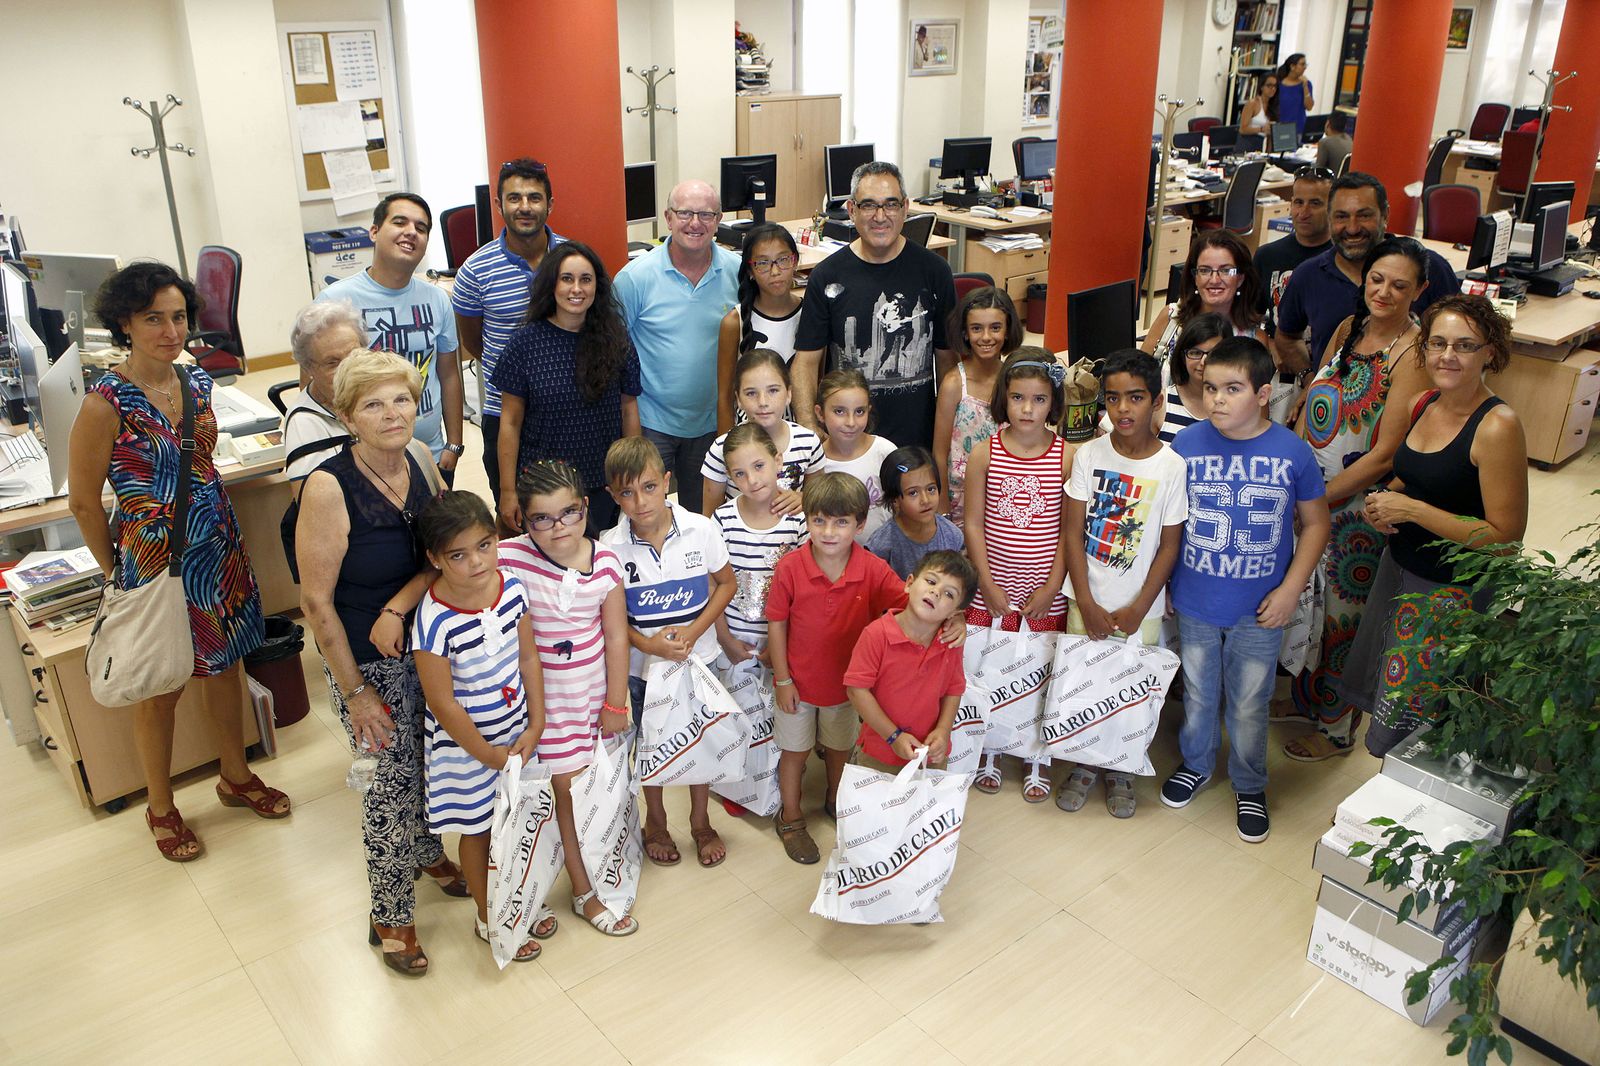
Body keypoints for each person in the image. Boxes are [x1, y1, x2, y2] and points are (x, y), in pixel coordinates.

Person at [68, 261, 291, 864]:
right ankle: (161, 805)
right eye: (153, 319)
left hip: (215, 545)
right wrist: (116, 567)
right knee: (159, 683)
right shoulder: (104, 403)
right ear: (126, 323)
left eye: (178, 317)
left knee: (224, 668)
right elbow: (84, 501)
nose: (170, 331)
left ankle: (235, 775)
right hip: (152, 557)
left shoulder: (196, 383)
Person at [296, 350, 464, 976]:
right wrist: (356, 692)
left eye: (401, 398)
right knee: (385, 788)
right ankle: (390, 913)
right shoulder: (327, 486)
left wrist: (399, 604)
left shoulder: (421, 459)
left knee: (429, 761)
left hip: (426, 645)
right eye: (373, 404)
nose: (392, 414)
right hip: (363, 661)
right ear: (347, 415)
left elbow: (443, 547)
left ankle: (424, 851)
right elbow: (315, 602)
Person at [1341, 295, 1528, 758]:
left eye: (1464, 346)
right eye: (1438, 343)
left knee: (1417, 711)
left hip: (1450, 590)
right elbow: (1420, 472)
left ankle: (1401, 818)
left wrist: (1414, 511)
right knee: (1389, 693)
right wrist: (1383, 499)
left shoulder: (1498, 426)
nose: (1448, 356)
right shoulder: (1425, 401)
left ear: (1490, 353)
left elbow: (1504, 539)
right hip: (1401, 568)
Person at [1160, 338, 1329, 844]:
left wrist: (1290, 591)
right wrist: (1166, 583)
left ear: (1263, 393)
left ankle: (1250, 783)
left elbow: (1316, 525)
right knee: (1198, 691)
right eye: (1210, 388)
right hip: (1195, 600)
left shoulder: (1292, 452)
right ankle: (1196, 762)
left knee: (1251, 701)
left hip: (1261, 609)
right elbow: (1168, 524)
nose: (1217, 400)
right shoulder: (1186, 447)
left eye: (1232, 389)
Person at [1282, 237, 1430, 761]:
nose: (1383, 292)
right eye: (1376, 279)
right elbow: (1307, 406)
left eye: (1399, 285)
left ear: (1419, 291)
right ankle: (1305, 699)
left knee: (1345, 616)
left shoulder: (1413, 352)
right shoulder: (1350, 329)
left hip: (1356, 509)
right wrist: (1293, 473)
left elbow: (1386, 453)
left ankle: (1336, 728)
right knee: (1310, 604)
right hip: (1309, 492)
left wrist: (1317, 498)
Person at [497, 460, 638, 936]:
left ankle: (597, 866)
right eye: (542, 518)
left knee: (596, 791)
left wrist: (616, 703)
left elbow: (617, 636)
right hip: (543, 706)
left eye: (569, 513)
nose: (558, 527)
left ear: (586, 507)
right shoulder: (509, 557)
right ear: (523, 520)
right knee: (564, 793)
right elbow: (455, 570)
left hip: (595, 699)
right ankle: (583, 890)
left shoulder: (606, 563)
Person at [410, 491, 549, 963]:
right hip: (467, 751)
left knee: (523, 820)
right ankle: (488, 915)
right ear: (434, 558)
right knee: (480, 832)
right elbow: (442, 702)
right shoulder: (433, 621)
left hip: (518, 734)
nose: (476, 562)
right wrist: (488, 754)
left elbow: (528, 657)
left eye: (485, 545)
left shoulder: (511, 588)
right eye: (458, 555)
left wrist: (537, 721)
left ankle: (522, 898)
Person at [1058, 350, 1187, 819]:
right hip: (1086, 600)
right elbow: (1071, 532)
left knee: (1130, 690)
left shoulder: (1171, 466)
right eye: (1112, 399)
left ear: (1157, 403)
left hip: (1141, 610)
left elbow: (1169, 547)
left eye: (1135, 398)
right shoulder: (1090, 455)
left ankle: (1121, 769)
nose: (1123, 410)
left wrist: (1139, 607)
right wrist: (1086, 600)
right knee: (1084, 685)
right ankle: (1082, 765)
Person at [766, 473, 917, 863]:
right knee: (794, 753)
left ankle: (836, 801)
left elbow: (910, 603)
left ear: (860, 524)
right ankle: (792, 817)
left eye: (841, 522)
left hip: (848, 689)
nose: (829, 532)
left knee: (838, 750)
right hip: (796, 685)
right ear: (808, 521)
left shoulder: (872, 568)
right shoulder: (790, 567)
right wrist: (782, 679)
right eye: (819, 521)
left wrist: (952, 618)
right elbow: (777, 623)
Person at [599, 437, 736, 868]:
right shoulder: (610, 547)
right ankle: (655, 820)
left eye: (649, 487)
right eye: (626, 493)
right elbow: (613, 620)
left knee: (701, 738)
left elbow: (727, 584)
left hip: (702, 662)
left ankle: (700, 819)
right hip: (643, 671)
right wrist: (649, 645)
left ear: (667, 481)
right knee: (650, 742)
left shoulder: (702, 529)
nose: (640, 502)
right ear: (611, 495)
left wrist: (694, 633)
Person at [965, 348, 1076, 803]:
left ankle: (1035, 756)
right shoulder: (982, 454)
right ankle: (988, 751)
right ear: (1003, 401)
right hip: (992, 587)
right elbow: (972, 522)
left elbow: (1070, 531)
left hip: (1043, 590)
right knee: (989, 669)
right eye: (1017, 398)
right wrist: (986, 583)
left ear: (1054, 402)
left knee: (1038, 673)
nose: (1028, 409)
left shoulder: (1068, 457)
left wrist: (1052, 586)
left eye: (1039, 399)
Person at [792, 161, 957, 450]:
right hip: (846, 445)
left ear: (906, 207)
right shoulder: (826, 276)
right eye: (868, 206)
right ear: (851, 210)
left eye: (890, 204)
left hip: (915, 442)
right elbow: (806, 362)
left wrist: (948, 435)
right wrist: (807, 426)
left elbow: (947, 361)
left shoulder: (935, 271)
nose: (880, 216)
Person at [493, 241, 641, 536]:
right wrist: (507, 491)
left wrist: (631, 476)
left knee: (598, 567)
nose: (577, 289)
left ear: (597, 287)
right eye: (567, 279)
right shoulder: (524, 343)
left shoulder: (616, 340)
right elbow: (509, 423)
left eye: (586, 280)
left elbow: (628, 408)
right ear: (552, 285)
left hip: (603, 483)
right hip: (543, 486)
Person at [318, 192, 464, 481]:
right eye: (400, 222)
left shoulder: (437, 299)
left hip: (429, 454)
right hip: (361, 459)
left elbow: (448, 375)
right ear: (374, 232)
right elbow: (315, 386)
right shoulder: (334, 301)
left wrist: (453, 444)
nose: (411, 232)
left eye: (421, 228)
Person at [615, 179, 740, 514]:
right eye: (685, 213)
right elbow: (611, 352)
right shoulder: (634, 278)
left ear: (719, 219)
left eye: (705, 214)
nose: (695, 223)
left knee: (705, 520)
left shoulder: (737, 272)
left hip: (714, 421)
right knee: (646, 514)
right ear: (668, 218)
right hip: (653, 422)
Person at [452, 158, 567, 498]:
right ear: (500, 205)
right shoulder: (475, 270)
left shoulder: (572, 260)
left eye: (534, 197)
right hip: (503, 416)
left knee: (571, 514)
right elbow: (475, 344)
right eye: (514, 198)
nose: (525, 207)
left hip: (565, 409)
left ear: (550, 204)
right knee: (513, 512)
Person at [1276, 172, 1461, 377]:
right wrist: (1310, 380)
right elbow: (1287, 337)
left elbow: (1462, 338)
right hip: (1332, 404)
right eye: (1341, 216)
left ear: (1385, 215)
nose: (1353, 228)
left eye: (1364, 215)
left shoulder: (1429, 267)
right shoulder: (1307, 275)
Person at [844, 551, 979, 772]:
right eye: (931, 581)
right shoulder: (876, 634)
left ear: (955, 612)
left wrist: (944, 731)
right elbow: (856, 690)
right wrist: (893, 737)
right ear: (909, 583)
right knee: (874, 805)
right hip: (878, 753)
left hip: (930, 754)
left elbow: (954, 689)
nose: (935, 592)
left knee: (925, 806)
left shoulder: (951, 640)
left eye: (948, 594)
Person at [712, 423, 808, 667]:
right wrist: (724, 638)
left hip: (789, 641)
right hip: (734, 642)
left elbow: (807, 591)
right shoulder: (722, 520)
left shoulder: (800, 519)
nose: (752, 480)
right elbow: (711, 584)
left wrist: (784, 643)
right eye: (740, 474)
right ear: (729, 476)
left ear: (778, 461)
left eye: (759, 466)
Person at [932, 286, 1020, 522]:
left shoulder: (1015, 380)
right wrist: (943, 511)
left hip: (1007, 496)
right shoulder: (954, 384)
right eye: (976, 329)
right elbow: (939, 454)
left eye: (995, 328)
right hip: (960, 500)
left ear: (1008, 330)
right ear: (965, 333)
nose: (986, 337)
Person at [701, 348, 822, 516]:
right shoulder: (720, 449)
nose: (763, 402)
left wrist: (804, 499)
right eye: (751, 393)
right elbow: (709, 519)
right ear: (738, 400)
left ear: (789, 394)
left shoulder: (809, 443)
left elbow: (820, 503)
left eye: (773, 390)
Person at [717, 222, 802, 431]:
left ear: (795, 262)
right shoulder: (734, 322)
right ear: (750, 271)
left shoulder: (811, 315)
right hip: (748, 436)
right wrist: (726, 449)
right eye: (763, 263)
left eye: (783, 260)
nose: (775, 271)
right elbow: (725, 396)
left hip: (796, 433)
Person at [1140, 230, 1266, 367]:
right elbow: (1139, 376)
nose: (1214, 280)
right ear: (1194, 277)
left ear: (1240, 278)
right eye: (1205, 270)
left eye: (1225, 270)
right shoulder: (1170, 319)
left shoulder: (1255, 340)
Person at [282, 299, 365, 497]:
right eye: (332, 362)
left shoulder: (373, 394)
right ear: (308, 368)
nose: (348, 369)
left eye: (355, 355)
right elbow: (313, 508)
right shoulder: (304, 425)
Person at [814, 368, 897, 542]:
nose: (851, 422)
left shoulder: (885, 451)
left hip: (884, 560)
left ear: (869, 410)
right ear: (820, 413)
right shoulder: (814, 462)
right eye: (839, 411)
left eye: (859, 411)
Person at [1253, 166, 1334, 334]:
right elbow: (1250, 319)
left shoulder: (1343, 260)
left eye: (1315, 203)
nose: (1304, 213)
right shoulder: (1267, 256)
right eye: (1299, 202)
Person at [865, 445, 964, 578]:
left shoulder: (952, 536)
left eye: (931, 489)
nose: (925, 500)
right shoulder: (881, 545)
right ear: (895, 500)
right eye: (913, 493)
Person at [1155, 313, 1230, 442]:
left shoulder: (1238, 407)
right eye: (1195, 353)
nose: (1203, 362)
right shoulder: (1160, 403)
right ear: (1183, 356)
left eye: (1213, 354)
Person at [1275, 53, 1316, 137]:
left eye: (1305, 64)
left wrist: (1305, 86)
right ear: (1292, 66)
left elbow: (1309, 107)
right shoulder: (1278, 83)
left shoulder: (1307, 84)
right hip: (1280, 127)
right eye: (1302, 64)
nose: (1305, 67)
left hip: (1298, 129)